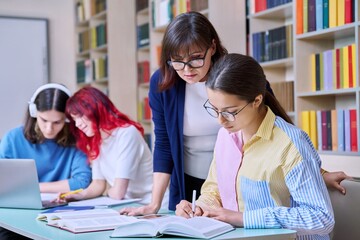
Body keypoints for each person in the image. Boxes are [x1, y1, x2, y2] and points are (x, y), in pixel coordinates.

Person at [120, 11, 348, 216]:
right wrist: (154, 203)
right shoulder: (163, 83)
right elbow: (164, 144)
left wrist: (315, 176)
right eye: (177, 62)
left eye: (196, 59)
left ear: (213, 47)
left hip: (244, 179)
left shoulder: (238, 77)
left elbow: (275, 126)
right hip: (199, 183)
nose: (187, 70)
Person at [175, 53, 334, 239]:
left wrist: (244, 218)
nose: (220, 121)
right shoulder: (225, 137)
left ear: (257, 101)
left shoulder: (290, 144)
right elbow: (214, 189)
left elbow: (321, 218)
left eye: (229, 112)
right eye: (214, 109)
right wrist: (199, 209)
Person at [0, 83, 92, 240]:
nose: (49, 128)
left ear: (68, 119)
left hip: (60, 215)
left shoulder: (77, 141)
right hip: (16, 213)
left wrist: (34, 188)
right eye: (44, 120)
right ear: (34, 112)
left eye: (57, 122)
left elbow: (82, 182)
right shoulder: (13, 139)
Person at [60, 86, 167, 207]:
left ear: (96, 109)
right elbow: (98, 184)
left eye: (80, 116)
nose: (78, 124)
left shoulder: (126, 133)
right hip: (130, 206)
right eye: (74, 119)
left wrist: (108, 193)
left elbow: (118, 192)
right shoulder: (97, 139)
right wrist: (78, 196)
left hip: (154, 207)